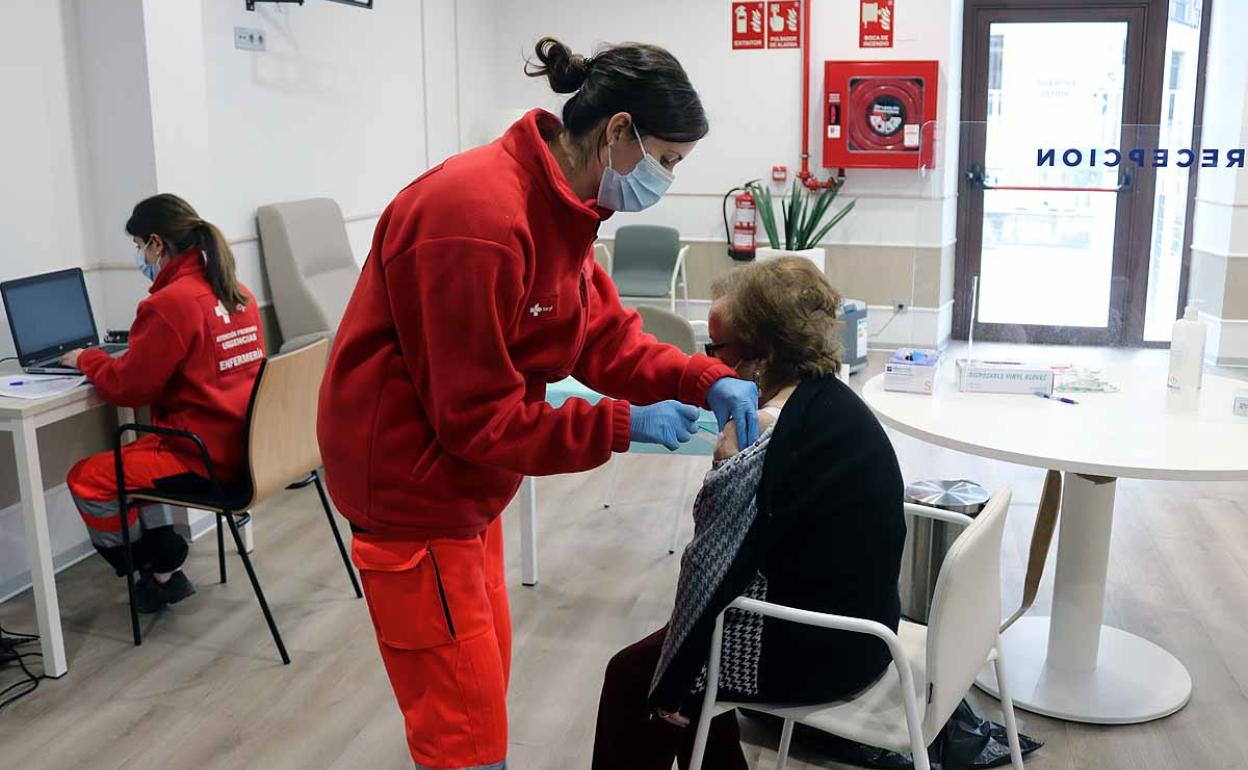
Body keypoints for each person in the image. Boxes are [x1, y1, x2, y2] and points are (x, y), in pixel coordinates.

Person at [316, 37, 759, 770]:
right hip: (414, 492)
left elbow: (602, 336)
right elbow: (477, 420)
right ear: (618, 132)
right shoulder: (476, 217)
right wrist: (621, 424)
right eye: (667, 161)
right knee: (463, 732)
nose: (666, 179)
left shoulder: (567, 205)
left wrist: (696, 377)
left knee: (482, 691)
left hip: (468, 492)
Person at [591, 257, 907, 770]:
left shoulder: (763, 439)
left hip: (821, 652)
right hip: (867, 630)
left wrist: (671, 686)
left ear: (761, 356)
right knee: (688, 667)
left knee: (636, 678)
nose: (705, 360)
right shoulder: (830, 401)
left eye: (716, 349)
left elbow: (710, 573)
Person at [63, 194, 266, 614]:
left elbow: (127, 389)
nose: (139, 255)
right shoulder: (236, 291)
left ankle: (147, 569)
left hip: (201, 456)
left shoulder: (170, 304)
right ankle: (164, 568)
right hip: (249, 450)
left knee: (88, 478)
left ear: (157, 243)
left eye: (138, 246)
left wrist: (88, 358)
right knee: (135, 461)